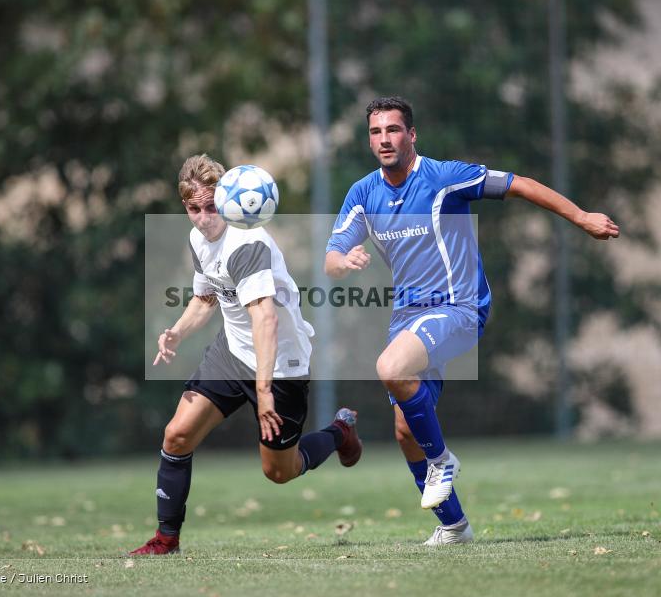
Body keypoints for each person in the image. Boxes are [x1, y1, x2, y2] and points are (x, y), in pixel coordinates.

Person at [324, 96, 619, 546]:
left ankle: (442, 460)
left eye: (393, 129)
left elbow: (518, 184)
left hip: (459, 308)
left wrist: (581, 217)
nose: (384, 139)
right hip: (407, 315)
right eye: (375, 132)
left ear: (411, 135)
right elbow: (331, 259)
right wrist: (344, 262)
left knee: (390, 369)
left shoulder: (443, 177)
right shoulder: (363, 193)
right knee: (405, 430)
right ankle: (455, 527)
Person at [130, 154, 362, 555]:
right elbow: (206, 298)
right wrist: (177, 333)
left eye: (211, 207)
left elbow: (265, 321)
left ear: (228, 199)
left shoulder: (247, 243)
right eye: (193, 209)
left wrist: (265, 390)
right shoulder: (198, 238)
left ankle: (340, 432)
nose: (203, 218)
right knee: (177, 434)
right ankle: (166, 540)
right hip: (232, 352)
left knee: (279, 472)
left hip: (281, 363)